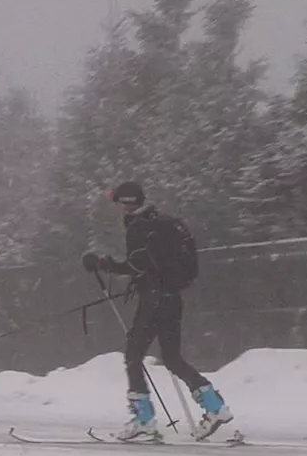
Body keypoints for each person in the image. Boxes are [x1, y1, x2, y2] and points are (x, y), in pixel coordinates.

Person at [81, 181, 234, 442]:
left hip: (154, 300)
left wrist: (101, 264)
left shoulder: (139, 226)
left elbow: (137, 264)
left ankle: (144, 420)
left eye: (117, 201)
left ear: (126, 202)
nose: (116, 207)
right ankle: (215, 407)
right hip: (172, 298)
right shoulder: (163, 223)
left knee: (133, 355)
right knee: (172, 358)